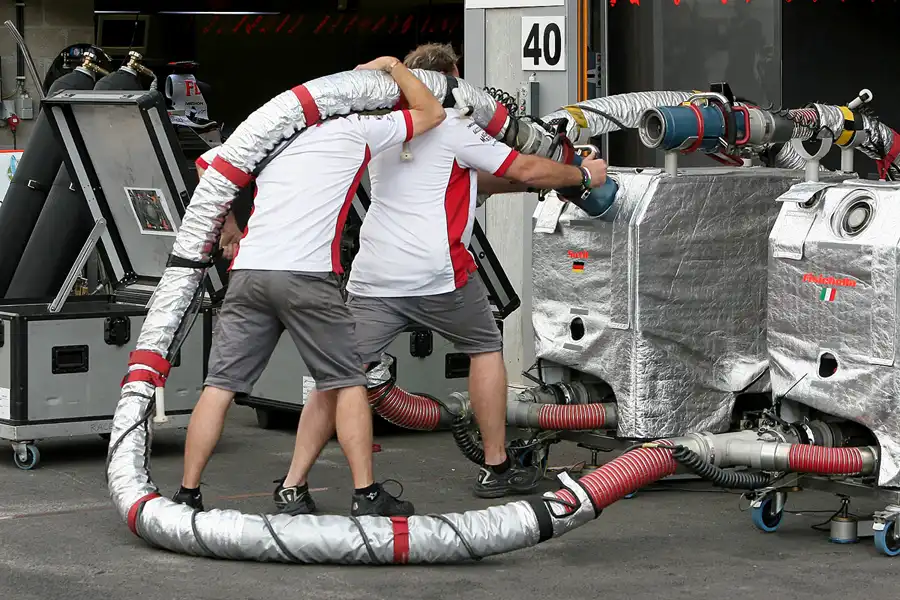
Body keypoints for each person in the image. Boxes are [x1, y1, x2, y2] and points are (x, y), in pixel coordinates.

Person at [274, 42, 609, 514]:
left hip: (374, 275)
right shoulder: (454, 125)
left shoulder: (387, 126)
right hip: (437, 273)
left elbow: (467, 176)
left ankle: (293, 485)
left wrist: (535, 180)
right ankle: (495, 466)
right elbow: (526, 165)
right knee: (485, 348)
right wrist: (581, 174)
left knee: (337, 378)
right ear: (454, 79)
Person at [173, 55, 446, 518]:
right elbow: (433, 114)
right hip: (306, 276)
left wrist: (230, 229)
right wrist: (398, 69)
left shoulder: (275, 132)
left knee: (219, 386)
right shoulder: (357, 130)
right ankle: (366, 494)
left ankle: (187, 495)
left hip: (250, 272)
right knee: (348, 381)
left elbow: (207, 165)